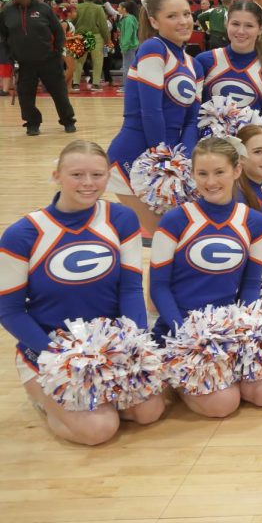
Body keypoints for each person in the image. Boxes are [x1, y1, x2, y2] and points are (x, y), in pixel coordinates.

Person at [0, 140, 165, 444]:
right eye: (76, 175)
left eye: (97, 175)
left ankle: (95, 398)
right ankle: (42, 397)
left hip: (110, 347)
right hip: (50, 350)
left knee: (149, 411)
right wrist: (56, 356)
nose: (88, 184)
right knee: (98, 430)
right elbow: (9, 310)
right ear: (56, 176)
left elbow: (129, 288)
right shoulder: (22, 234)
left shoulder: (121, 218)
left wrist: (134, 344)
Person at [150, 136, 262, 418]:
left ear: (236, 171)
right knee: (224, 404)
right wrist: (185, 336)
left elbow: (251, 283)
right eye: (202, 174)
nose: (210, 182)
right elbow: (158, 287)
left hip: (228, 326)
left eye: (219, 172)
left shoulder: (253, 222)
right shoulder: (174, 220)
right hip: (182, 329)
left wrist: (244, 329)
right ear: (192, 174)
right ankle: (175, 377)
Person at [106, 0, 198, 236]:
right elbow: (151, 111)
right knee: (166, 237)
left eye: (187, 14)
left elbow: (191, 121)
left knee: (179, 237)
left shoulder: (194, 64)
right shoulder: (152, 49)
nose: (183, 21)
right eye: (172, 16)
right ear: (154, 21)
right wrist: (163, 162)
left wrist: (183, 162)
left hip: (170, 157)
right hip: (136, 155)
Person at [194, 0, 262, 145]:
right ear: (227, 24)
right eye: (235, 24)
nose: (240, 31)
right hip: (209, 149)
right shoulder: (205, 61)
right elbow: (191, 114)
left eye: (249, 26)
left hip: (249, 153)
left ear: (261, 28)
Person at [0, 0, 76, 135]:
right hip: (24, 62)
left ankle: (67, 120)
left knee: (59, 92)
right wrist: (9, 56)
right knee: (25, 95)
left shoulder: (44, 8)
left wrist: (57, 52)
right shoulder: (6, 10)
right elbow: (2, 35)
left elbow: (58, 32)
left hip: (49, 60)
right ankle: (32, 123)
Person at [72, 0, 110, 91]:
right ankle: (96, 84)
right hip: (95, 35)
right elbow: (103, 25)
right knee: (97, 61)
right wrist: (107, 39)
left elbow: (72, 21)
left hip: (80, 35)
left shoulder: (77, 7)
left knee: (78, 61)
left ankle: (75, 83)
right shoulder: (98, 8)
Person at [116, 0, 140, 90]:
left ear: (124, 9)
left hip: (129, 46)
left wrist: (124, 46)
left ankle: (127, 86)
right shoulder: (127, 18)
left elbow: (127, 34)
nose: (117, 8)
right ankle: (129, 85)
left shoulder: (129, 19)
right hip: (130, 45)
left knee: (127, 66)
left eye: (119, 7)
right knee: (129, 66)